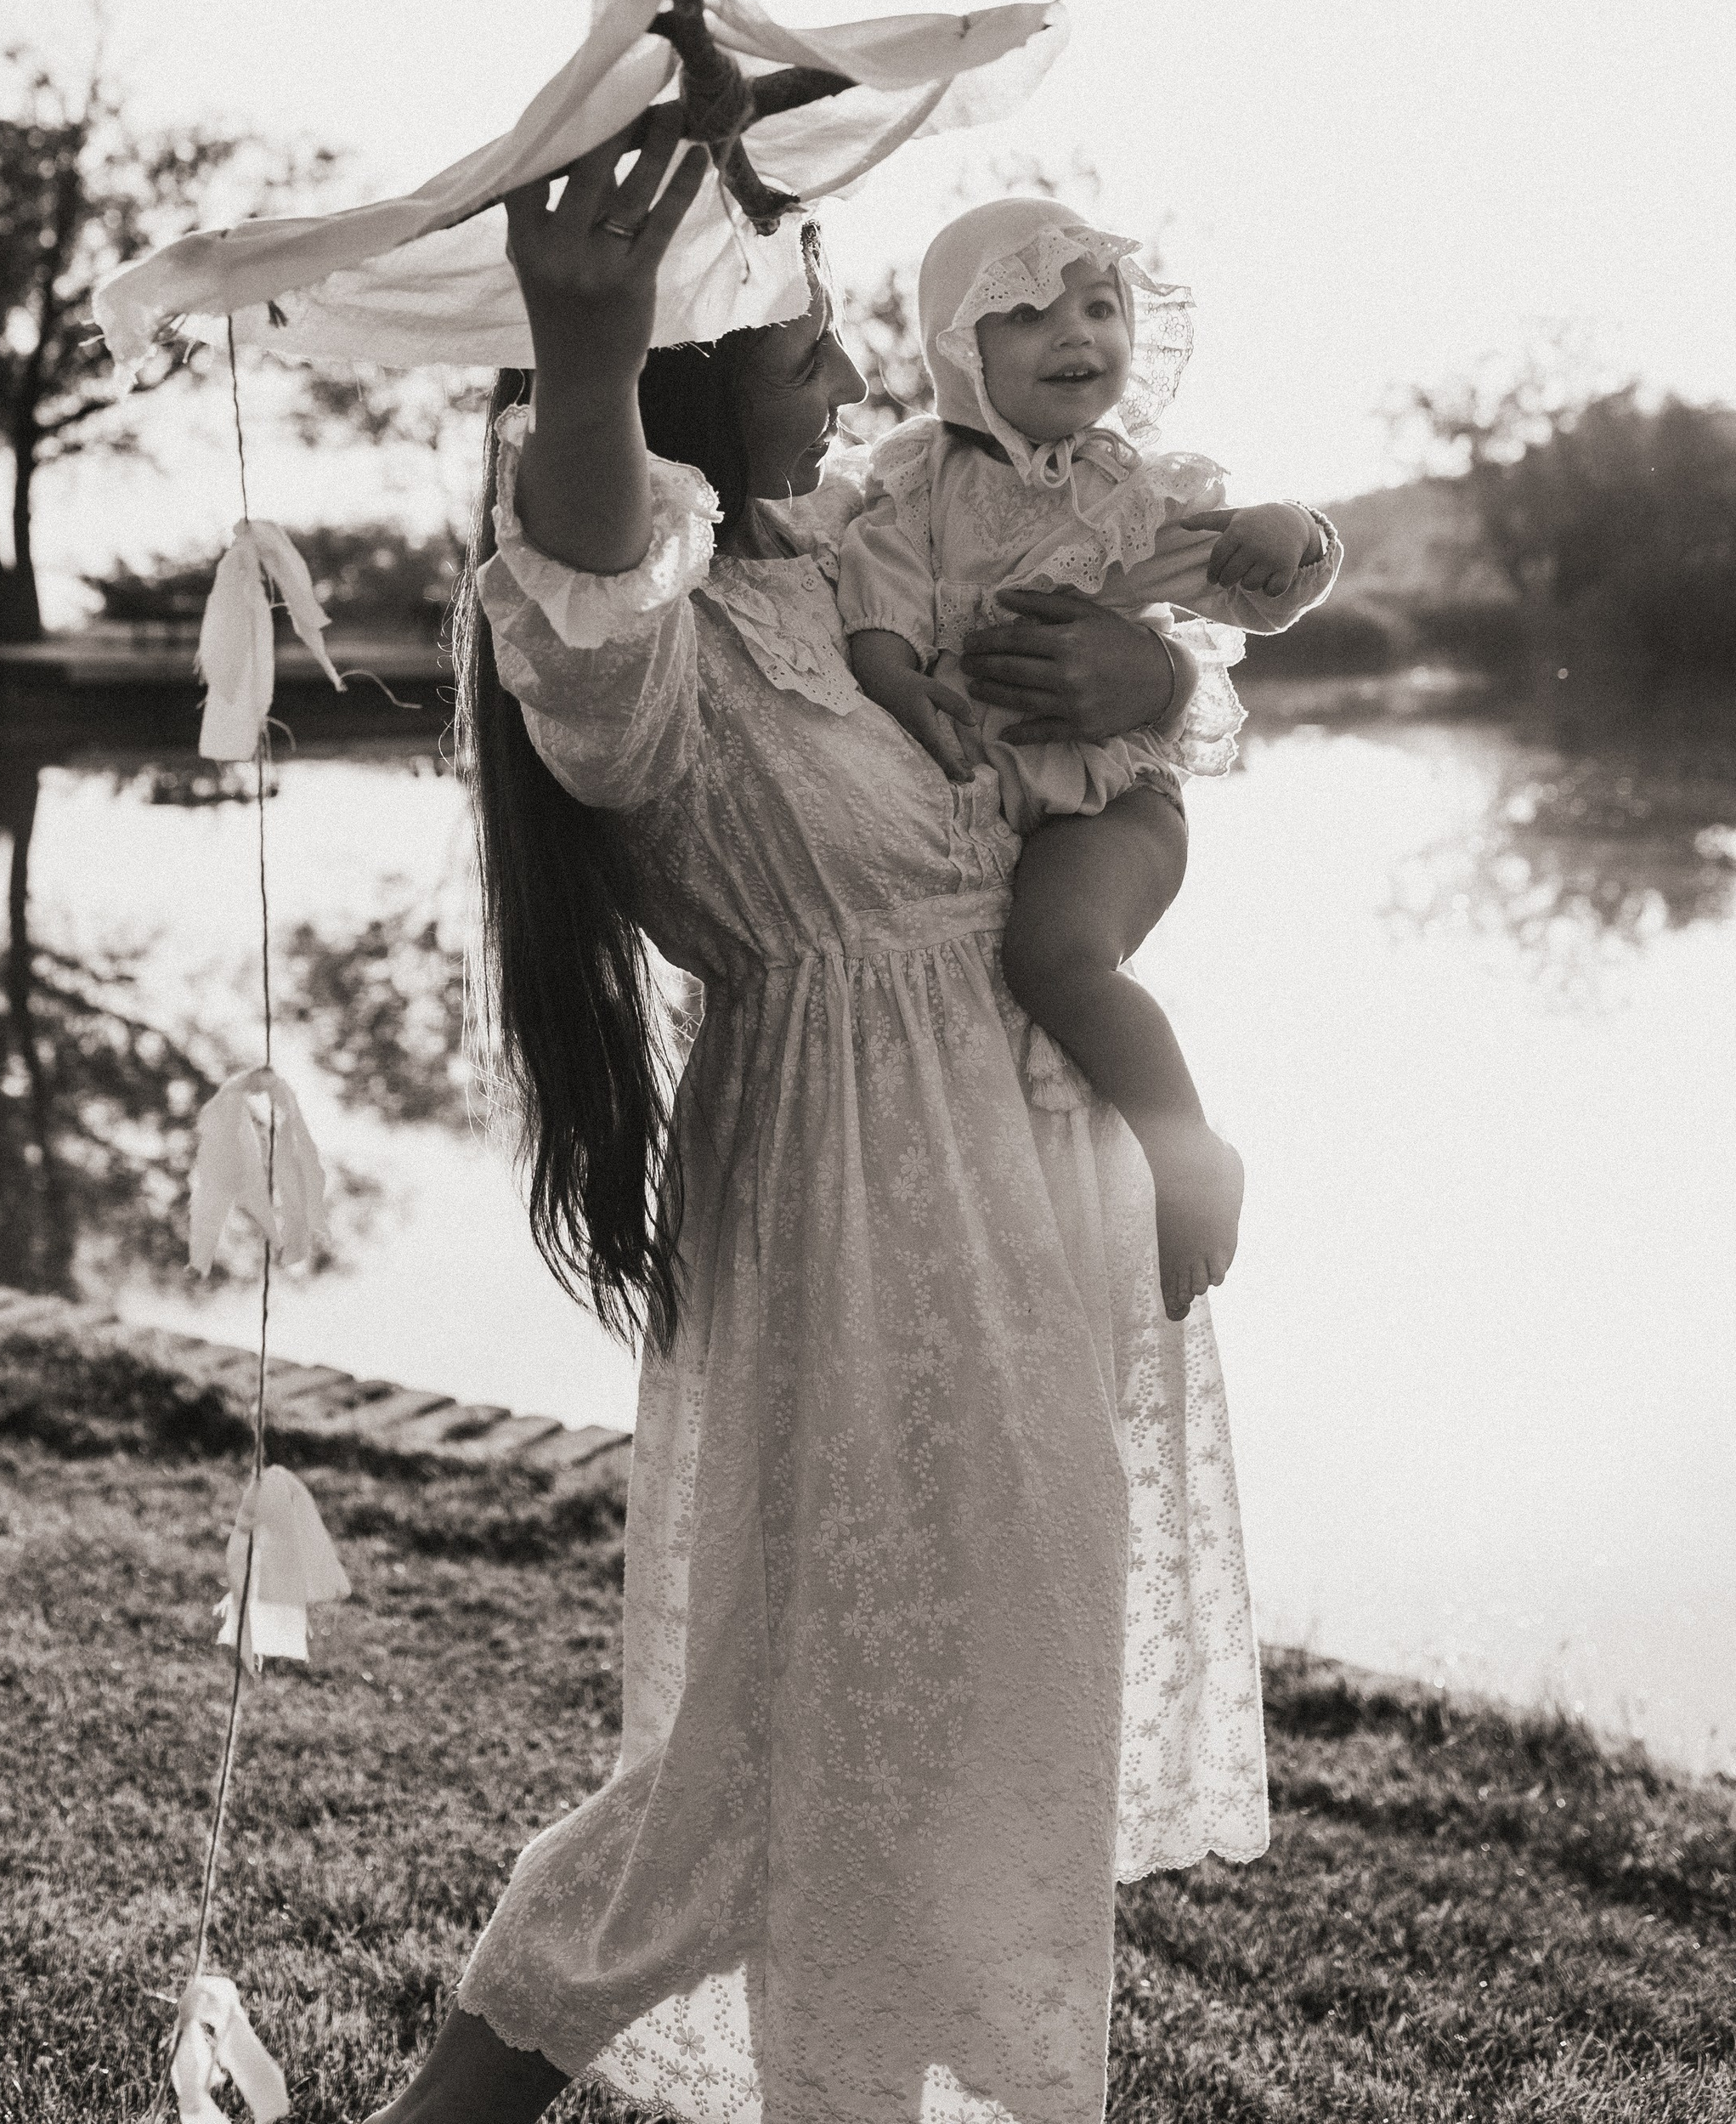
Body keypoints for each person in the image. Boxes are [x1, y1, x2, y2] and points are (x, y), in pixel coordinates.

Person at [377, 113, 1269, 2124]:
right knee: (775, 1739)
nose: (862, 383)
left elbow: (1118, 741)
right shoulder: (662, 634)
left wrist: (1150, 664)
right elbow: (585, 585)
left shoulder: (862, 563)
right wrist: (589, 357)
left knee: (990, 1715)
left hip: (1032, 1186)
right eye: (807, 357)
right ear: (697, 385)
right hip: (858, 1209)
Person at [839, 198, 1342, 1323]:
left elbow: (1255, 592)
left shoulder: (1135, 489)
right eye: (1027, 314)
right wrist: (893, 676)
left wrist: (1293, 532)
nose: (1078, 335)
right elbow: (879, 607)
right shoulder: (915, 489)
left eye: (1101, 308)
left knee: (1056, 958)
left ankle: (1190, 1149)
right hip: (1002, 795)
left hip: (1115, 805)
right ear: (960, 347)